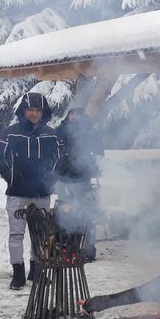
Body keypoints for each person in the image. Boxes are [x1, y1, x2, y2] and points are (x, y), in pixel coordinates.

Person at [0, 92, 61, 290]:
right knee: (16, 234)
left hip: (42, 193)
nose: (34, 113)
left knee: (40, 235)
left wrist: (50, 178)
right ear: (23, 111)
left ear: (43, 112)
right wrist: (11, 175)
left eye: (38, 110)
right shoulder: (11, 132)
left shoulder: (50, 134)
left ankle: (36, 272)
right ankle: (18, 273)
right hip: (17, 193)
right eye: (31, 109)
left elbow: (59, 159)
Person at [55, 107, 103, 261]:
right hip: (63, 179)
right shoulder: (59, 131)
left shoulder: (89, 132)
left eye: (78, 115)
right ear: (68, 115)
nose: (75, 117)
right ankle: (66, 247)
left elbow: (98, 153)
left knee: (86, 214)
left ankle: (88, 249)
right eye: (72, 114)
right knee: (64, 214)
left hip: (83, 180)